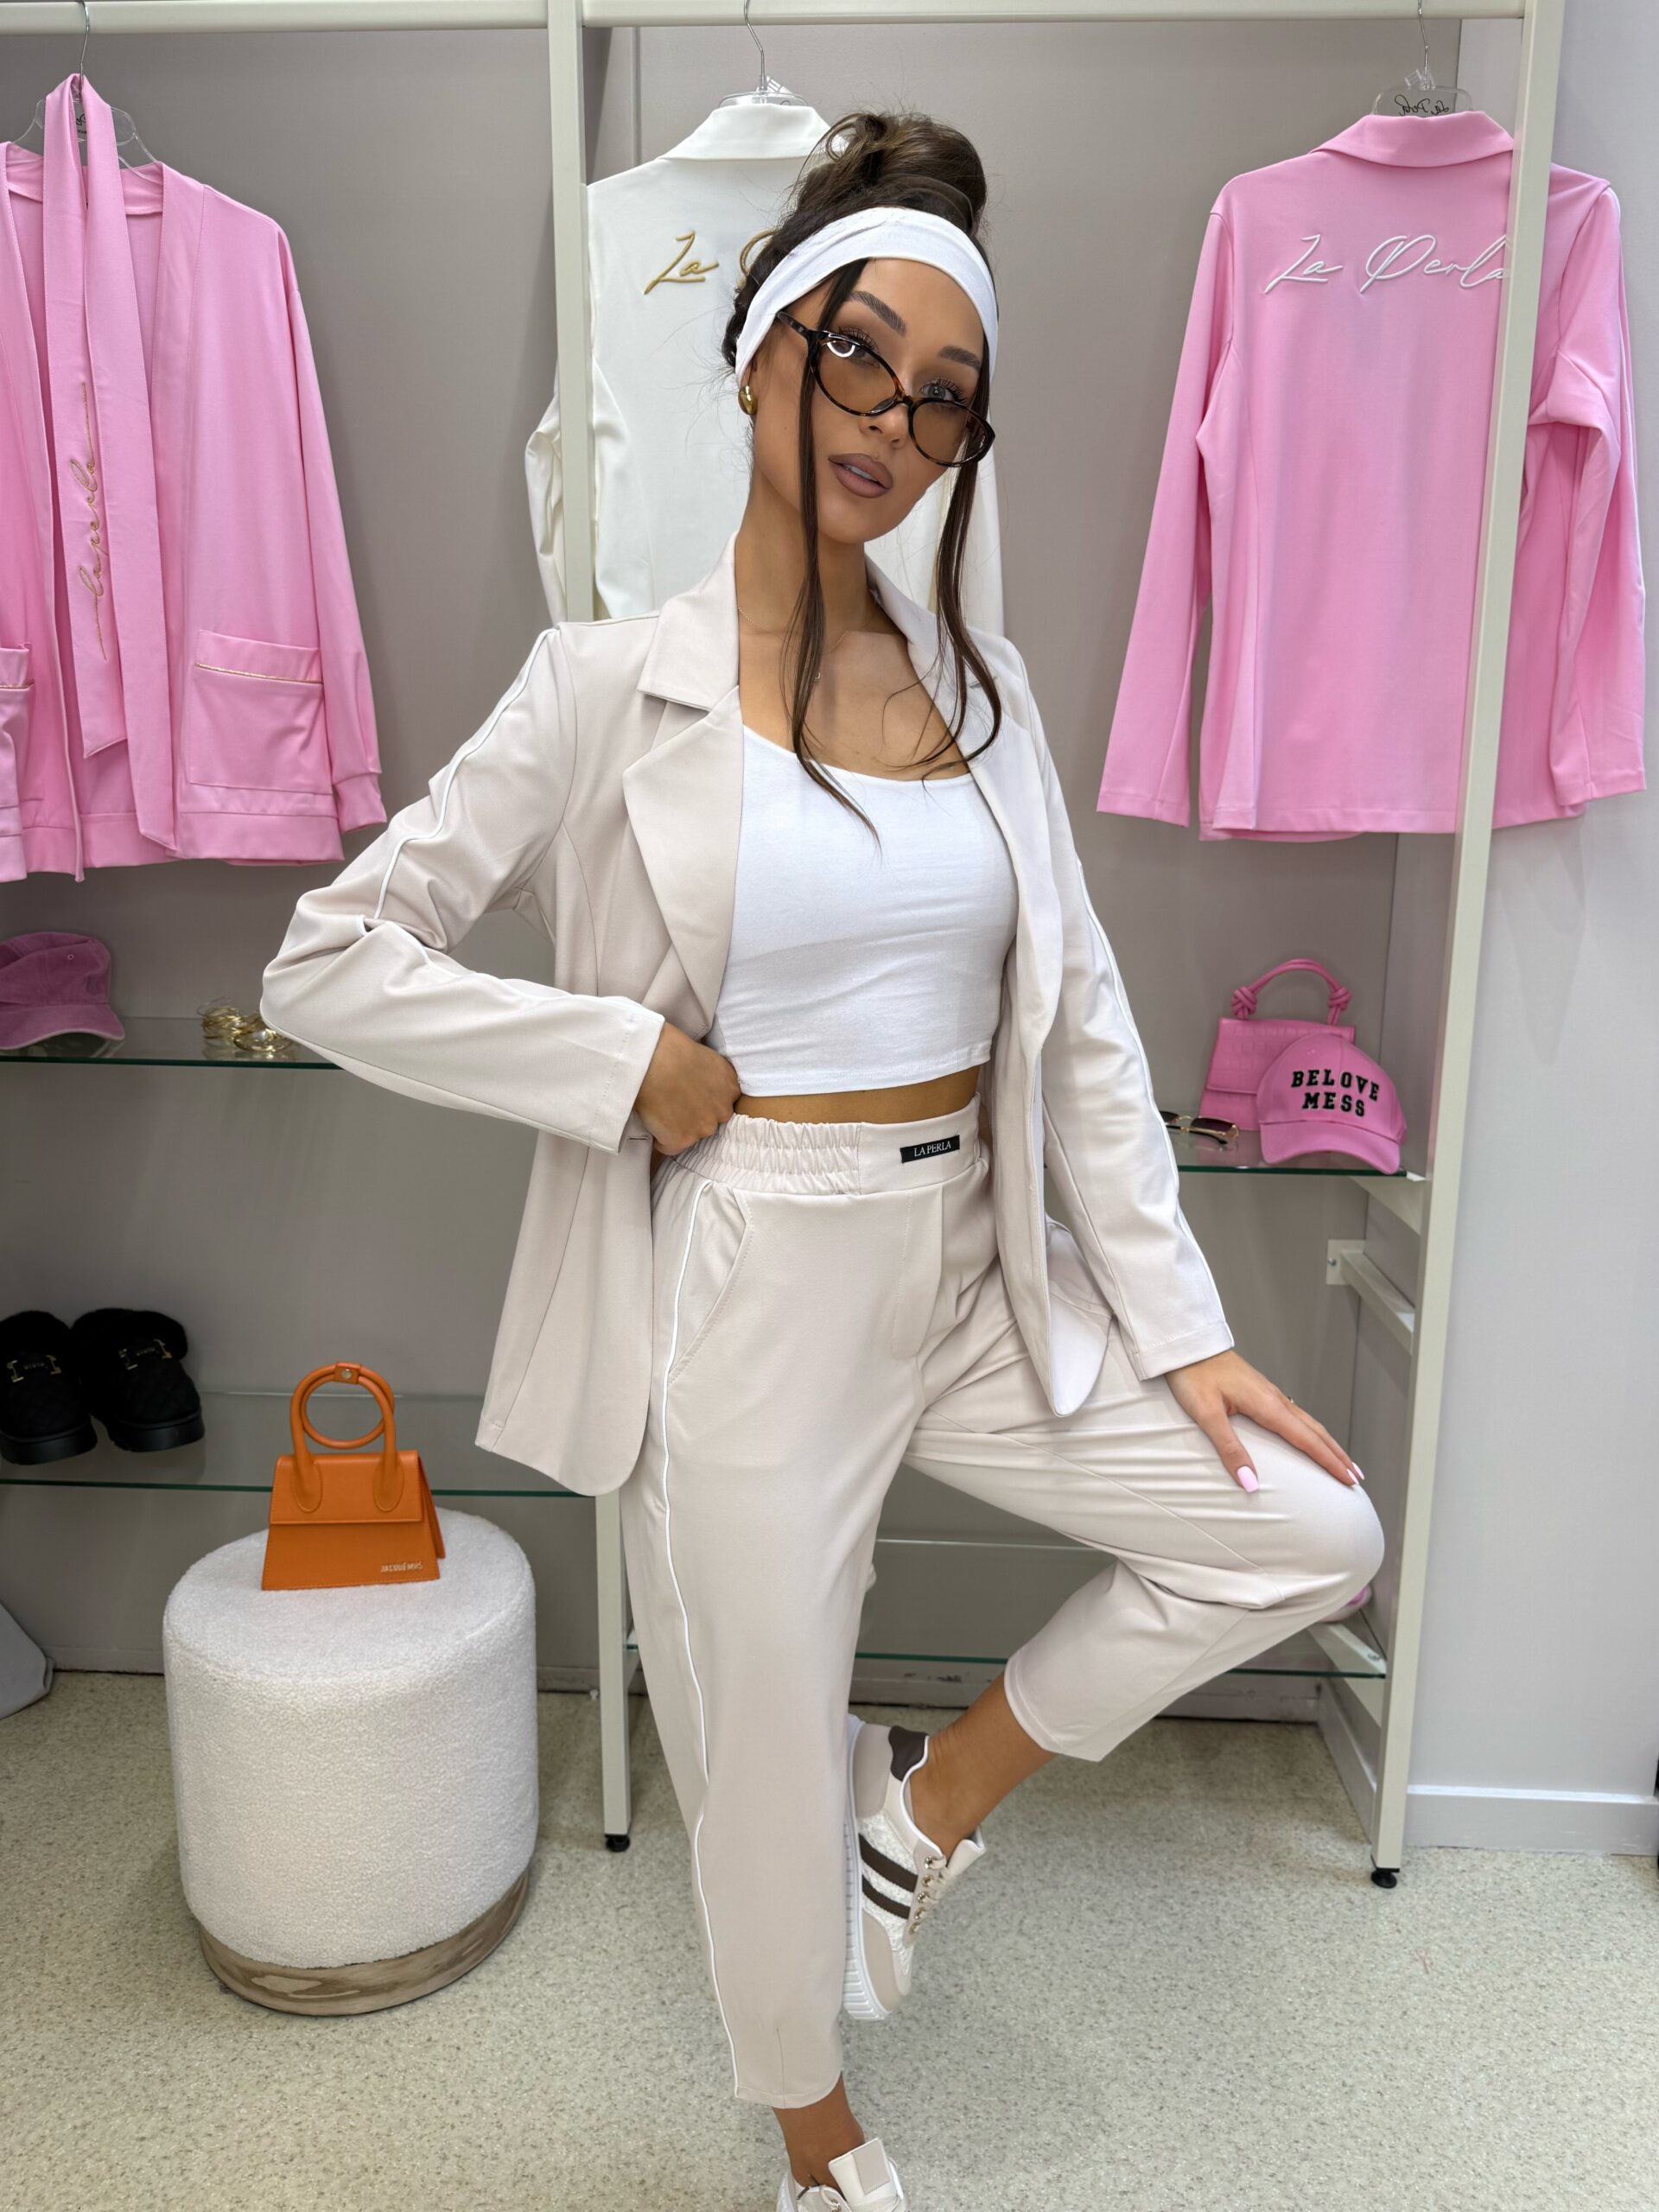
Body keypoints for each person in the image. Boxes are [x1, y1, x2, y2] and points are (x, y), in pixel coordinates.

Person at [262, 105, 1385, 2212]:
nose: (893, 419)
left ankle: (923, 1812)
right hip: (746, 1287)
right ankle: (815, 2137)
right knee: (754, 1775)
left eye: (945, 394)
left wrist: (1188, 1327)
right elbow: (328, 960)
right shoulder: (607, 686)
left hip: (974, 1262)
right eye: (859, 354)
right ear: (759, 351)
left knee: (1309, 1533)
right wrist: (622, 1062)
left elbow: (1083, 1018)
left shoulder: (984, 682)